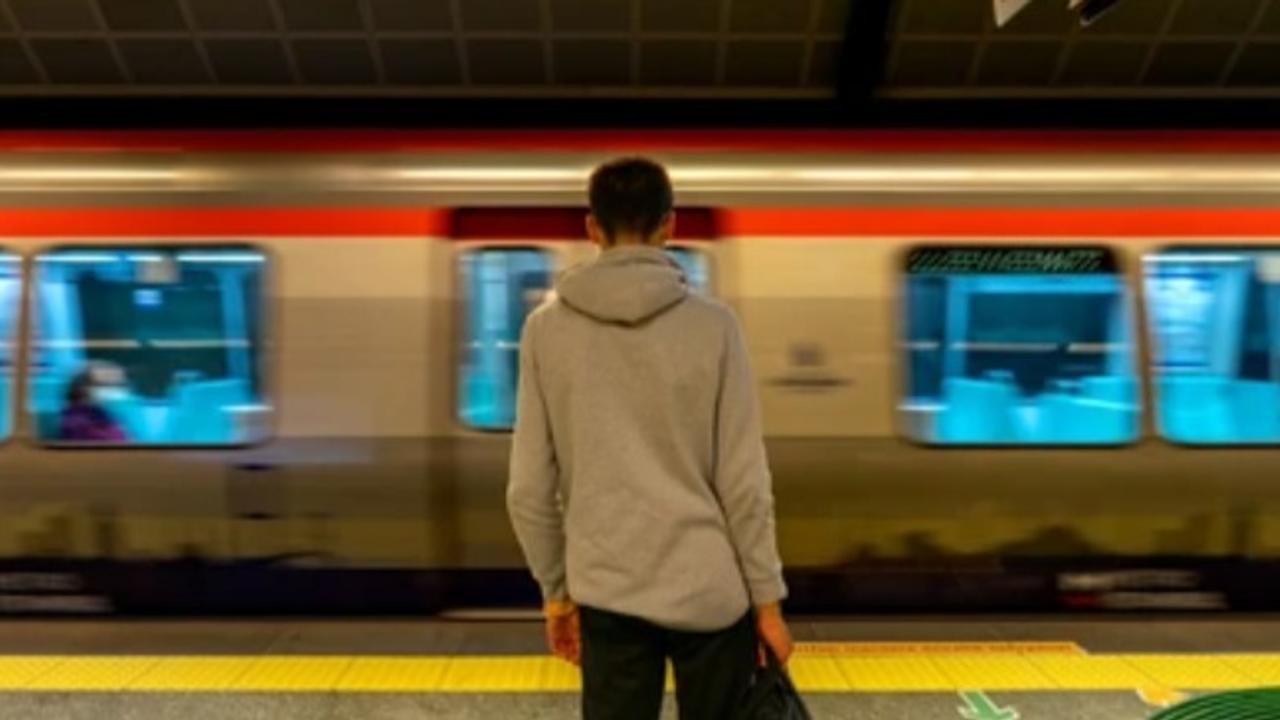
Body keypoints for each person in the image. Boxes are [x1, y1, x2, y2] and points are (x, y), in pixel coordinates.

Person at [507, 157, 791, 720]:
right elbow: (743, 481)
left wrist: (557, 593)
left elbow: (528, 490)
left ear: (592, 228)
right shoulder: (716, 327)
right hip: (712, 594)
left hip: (608, 595)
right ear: (670, 225)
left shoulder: (545, 331)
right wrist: (767, 601)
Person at [58, 365, 126, 443]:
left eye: (118, 384)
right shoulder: (76, 422)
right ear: (82, 388)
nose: (113, 390)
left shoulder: (102, 413)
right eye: (104, 384)